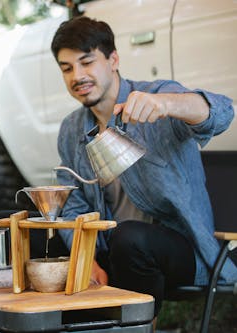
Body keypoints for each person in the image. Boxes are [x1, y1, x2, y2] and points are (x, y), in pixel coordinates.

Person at [51, 16, 237, 317]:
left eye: (87, 62)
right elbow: (71, 205)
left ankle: (131, 325)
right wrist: (86, 262)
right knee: (29, 228)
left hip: (181, 250)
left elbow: (224, 112)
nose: (78, 76)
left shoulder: (156, 95)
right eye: (67, 68)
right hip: (111, 250)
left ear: (113, 59)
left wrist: (167, 104)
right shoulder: (71, 129)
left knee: (130, 238)